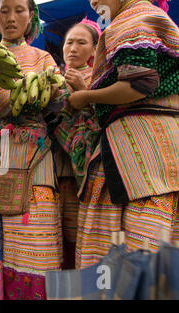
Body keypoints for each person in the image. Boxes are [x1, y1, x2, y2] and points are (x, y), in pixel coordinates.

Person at [52, 0, 179, 269]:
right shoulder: (144, 17)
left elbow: (140, 82)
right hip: (157, 150)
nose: (94, 2)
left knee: (133, 252)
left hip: (139, 151)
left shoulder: (129, 21)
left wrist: (85, 96)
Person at [0, 0, 62, 300]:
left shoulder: (43, 59)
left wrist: (53, 94)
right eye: (4, 10)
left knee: (30, 234)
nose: (11, 17)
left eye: (19, 10)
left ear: (32, 17)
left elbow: (59, 108)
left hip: (35, 153)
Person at [57, 18, 101, 269]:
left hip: (86, 176)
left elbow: (103, 121)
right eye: (69, 42)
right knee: (55, 238)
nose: (73, 48)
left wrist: (83, 91)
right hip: (54, 171)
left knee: (79, 238)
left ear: (95, 50)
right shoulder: (49, 80)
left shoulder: (101, 80)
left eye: (81, 43)